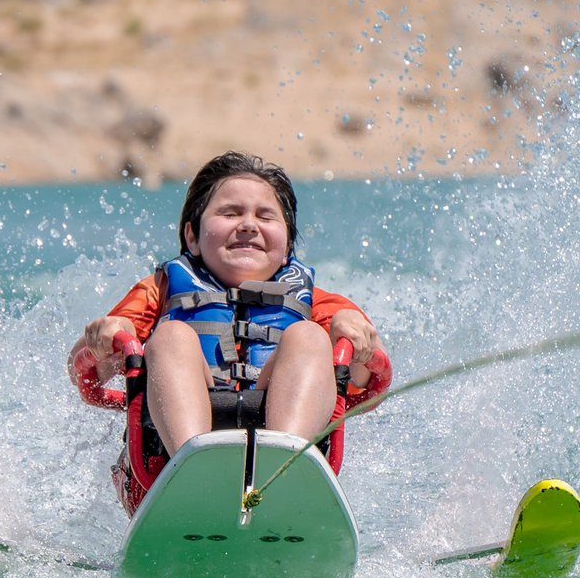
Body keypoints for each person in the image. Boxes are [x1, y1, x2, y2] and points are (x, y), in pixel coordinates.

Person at [68, 152, 385, 454]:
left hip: (284, 438)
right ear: (192, 237)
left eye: (265, 216)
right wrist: (108, 334)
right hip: (168, 452)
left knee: (311, 336)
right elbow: (91, 363)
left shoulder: (317, 304)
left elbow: (362, 378)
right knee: (171, 336)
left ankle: (286, 464)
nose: (248, 225)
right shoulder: (160, 290)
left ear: (287, 245)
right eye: (230, 213)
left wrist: (353, 332)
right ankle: (192, 466)